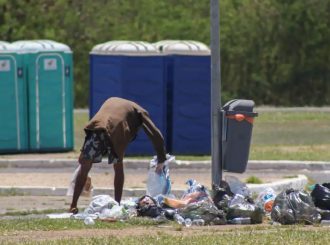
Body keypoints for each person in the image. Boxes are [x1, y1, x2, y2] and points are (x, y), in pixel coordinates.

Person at [69, 97, 166, 214]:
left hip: (96, 127)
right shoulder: (140, 111)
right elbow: (155, 133)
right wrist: (161, 158)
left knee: (85, 165)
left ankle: (73, 206)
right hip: (116, 131)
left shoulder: (112, 100)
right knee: (118, 167)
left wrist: (84, 157)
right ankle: (117, 204)